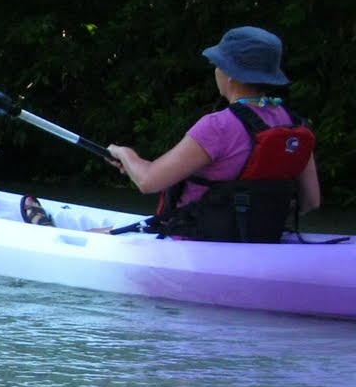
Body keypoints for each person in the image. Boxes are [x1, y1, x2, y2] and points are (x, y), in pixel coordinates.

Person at [108, 25, 320, 242]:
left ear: (229, 74)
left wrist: (124, 153)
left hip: (195, 243)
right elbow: (311, 201)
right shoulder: (293, 124)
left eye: (217, 65)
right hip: (260, 240)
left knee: (97, 236)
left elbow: (148, 181)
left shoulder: (218, 126)